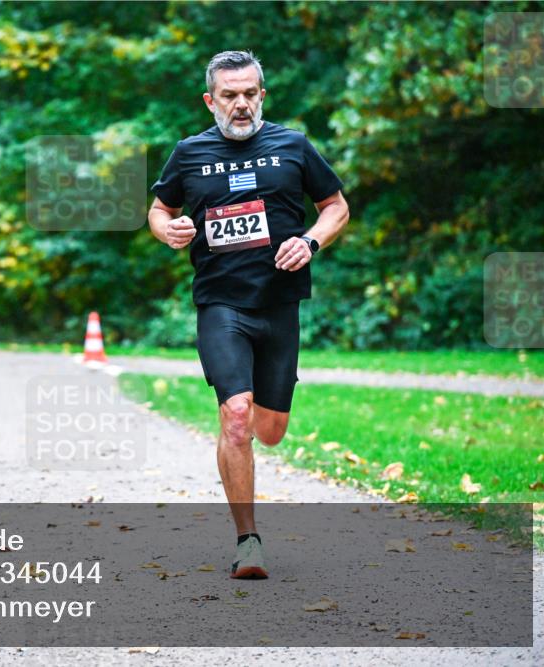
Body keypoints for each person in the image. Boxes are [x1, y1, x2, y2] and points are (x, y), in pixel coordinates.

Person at [148, 51, 350, 579]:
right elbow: (160, 208)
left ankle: (262, 421)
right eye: (230, 95)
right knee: (236, 417)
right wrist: (165, 230)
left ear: (263, 94)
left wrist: (310, 241)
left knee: (271, 429)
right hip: (221, 305)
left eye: (250, 94)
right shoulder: (189, 154)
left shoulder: (292, 145)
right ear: (210, 100)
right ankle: (248, 542)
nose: (241, 104)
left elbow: (336, 206)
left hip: (279, 305)